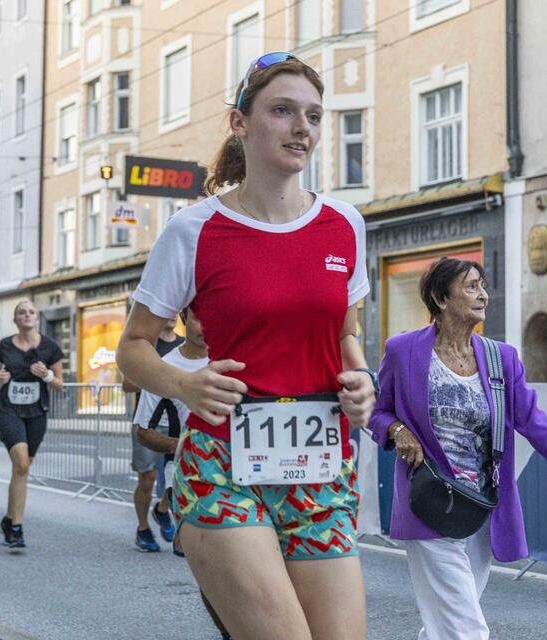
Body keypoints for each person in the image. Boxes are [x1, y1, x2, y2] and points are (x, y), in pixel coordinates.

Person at [116, 52, 376, 640]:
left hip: (323, 468)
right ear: (241, 123)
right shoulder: (194, 230)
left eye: (312, 114)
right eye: (282, 111)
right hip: (221, 464)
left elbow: (346, 335)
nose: (301, 127)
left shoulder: (345, 224)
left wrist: (362, 382)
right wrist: (183, 382)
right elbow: (133, 348)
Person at [369, 257, 547, 640]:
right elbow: (377, 412)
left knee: (447, 623)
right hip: (428, 500)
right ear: (442, 298)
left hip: (480, 507)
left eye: (483, 286)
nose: (483, 296)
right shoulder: (403, 351)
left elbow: (531, 419)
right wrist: (396, 430)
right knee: (466, 629)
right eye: (471, 287)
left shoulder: (500, 358)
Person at [133, 308, 232, 640]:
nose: (206, 327)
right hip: (190, 475)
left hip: (243, 475)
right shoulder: (165, 369)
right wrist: (192, 444)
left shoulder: (235, 358)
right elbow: (143, 432)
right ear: (184, 319)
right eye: (199, 318)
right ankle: (229, 630)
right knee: (211, 566)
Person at [0, 300, 65, 549]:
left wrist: (47, 375)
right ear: (16, 319)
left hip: (36, 413)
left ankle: (9, 520)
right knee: (21, 463)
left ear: (37, 317)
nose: (27, 315)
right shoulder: (4, 347)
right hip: (9, 410)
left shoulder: (50, 347)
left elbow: (59, 384)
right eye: (22, 312)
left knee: (22, 469)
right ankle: (18, 528)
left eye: (31, 311)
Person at [123, 317, 183, 552]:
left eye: (176, 309)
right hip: (149, 421)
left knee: (179, 476)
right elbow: (127, 385)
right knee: (147, 477)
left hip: (178, 419)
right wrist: (159, 379)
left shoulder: (186, 345)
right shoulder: (145, 347)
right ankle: (143, 528)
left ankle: (162, 510)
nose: (171, 313)